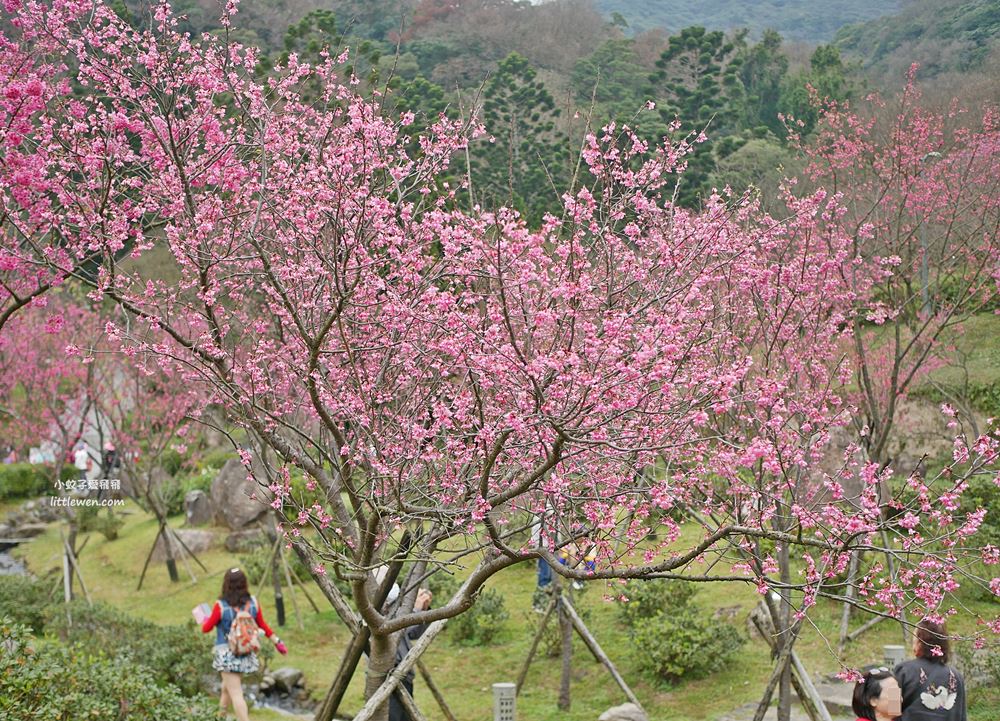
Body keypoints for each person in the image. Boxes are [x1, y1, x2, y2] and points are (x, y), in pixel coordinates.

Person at [201, 567, 288, 721]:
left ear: (226, 584)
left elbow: (206, 628)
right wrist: (277, 642)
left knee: (236, 694)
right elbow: (263, 625)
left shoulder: (220, 606)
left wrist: (204, 618)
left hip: (227, 655)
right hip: (245, 653)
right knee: (226, 689)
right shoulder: (253, 603)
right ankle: (219, 717)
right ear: (244, 583)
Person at [894, 620, 967, 721]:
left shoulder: (903, 670)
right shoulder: (956, 676)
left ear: (921, 642)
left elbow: (890, 710)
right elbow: (961, 716)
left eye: (914, 639)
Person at [388, 587, 433, 721]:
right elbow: (396, 631)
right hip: (388, 675)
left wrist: (423, 611)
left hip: (404, 674)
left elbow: (413, 633)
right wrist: (416, 611)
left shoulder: (393, 611)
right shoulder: (375, 612)